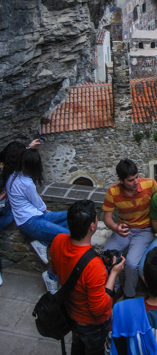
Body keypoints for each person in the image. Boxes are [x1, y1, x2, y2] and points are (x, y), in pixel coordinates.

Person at [51, 200, 125, 355]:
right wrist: (113, 274)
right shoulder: (94, 265)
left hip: (71, 313)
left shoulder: (57, 241)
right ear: (92, 226)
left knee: (77, 348)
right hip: (92, 324)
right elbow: (98, 309)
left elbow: (56, 271)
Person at [5, 148, 69, 289]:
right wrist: (46, 210)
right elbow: (38, 203)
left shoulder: (13, 176)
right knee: (69, 236)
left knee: (71, 216)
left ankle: (43, 241)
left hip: (36, 217)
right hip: (30, 223)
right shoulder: (27, 182)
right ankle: (52, 276)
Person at [102, 159, 157, 299]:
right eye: (130, 180)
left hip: (145, 230)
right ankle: (114, 290)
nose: (135, 182)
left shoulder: (150, 184)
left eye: (136, 177)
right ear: (121, 181)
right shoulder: (113, 192)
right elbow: (107, 218)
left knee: (132, 264)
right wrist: (116, 228)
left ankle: (129, 294)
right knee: (106, 256)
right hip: (124, 229)